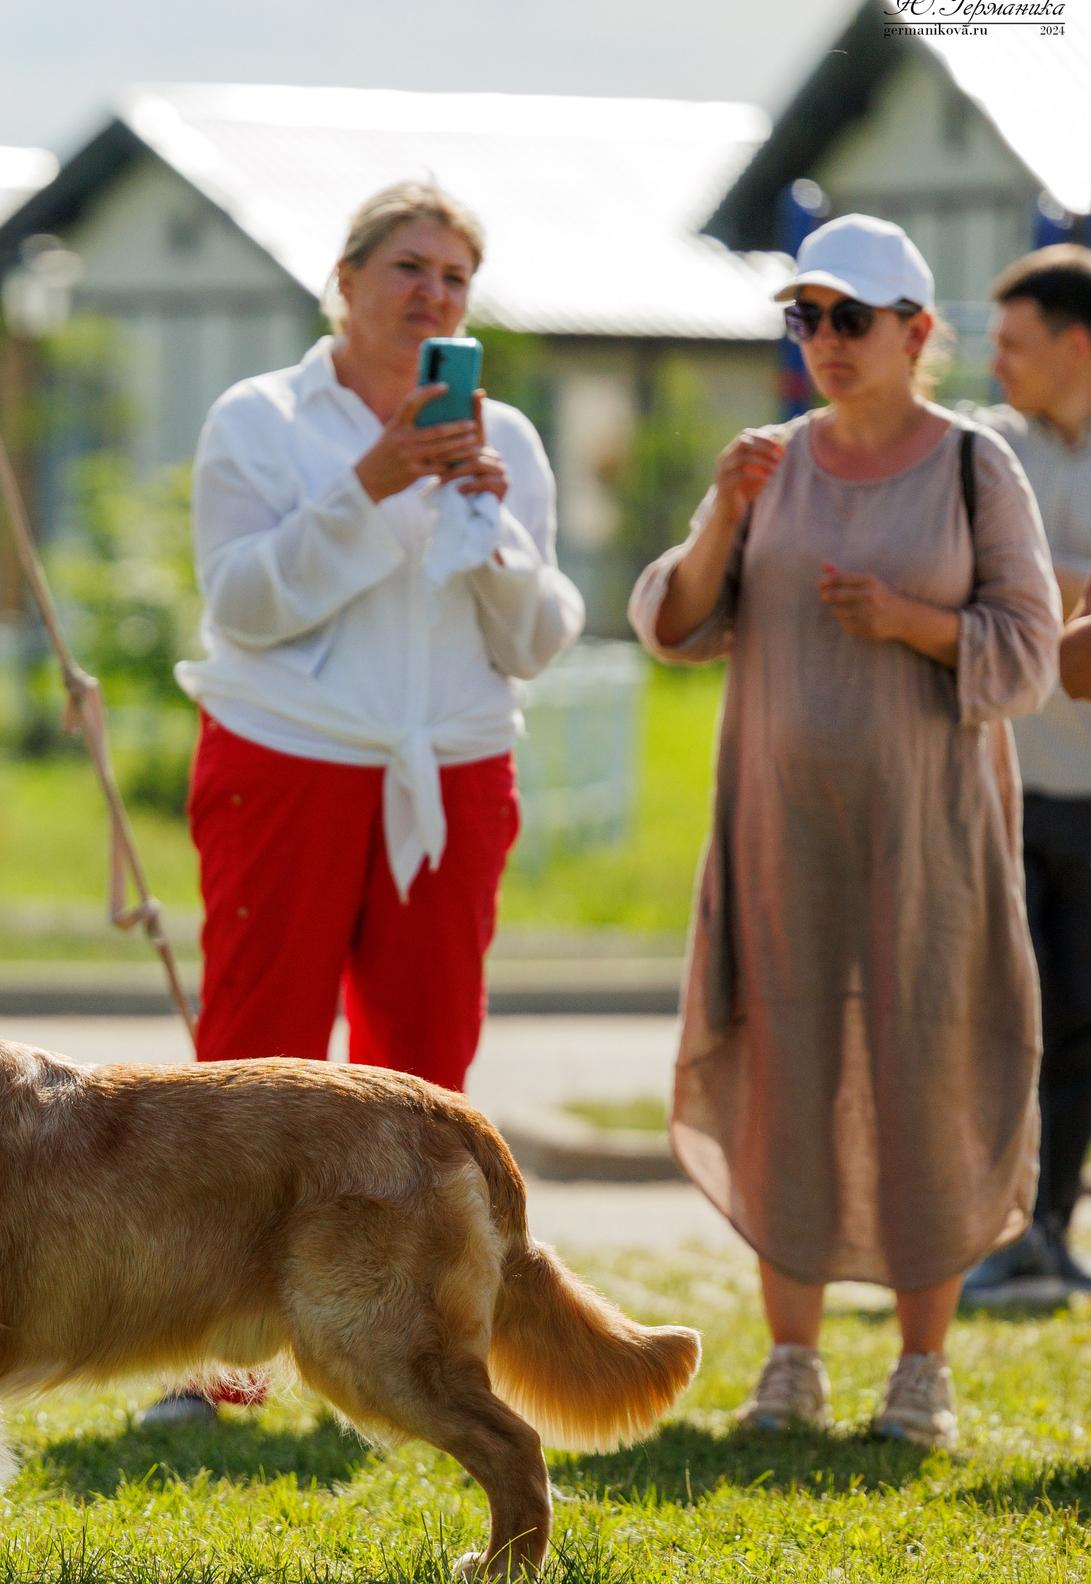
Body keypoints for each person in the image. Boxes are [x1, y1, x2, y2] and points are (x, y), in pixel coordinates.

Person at [137, 181, 583, 1427]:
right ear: (343, 279)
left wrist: (489, 526)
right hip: (289, 755)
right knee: (250, 1061)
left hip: (450, 766)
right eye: (407, 266)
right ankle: (215, 1362)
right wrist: (376, 480)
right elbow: (245, 602)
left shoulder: (512, 439)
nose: (430, 293)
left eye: (453, 277)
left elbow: (539, 637)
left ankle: (407, 1348)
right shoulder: (261, 418)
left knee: (426, 1068)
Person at [631, 215, 1059, 1446]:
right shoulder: (766, 462)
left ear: (918, 333)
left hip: (932, 844)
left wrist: (911, 620)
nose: (823, 339)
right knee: (787, 1078)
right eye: (803, 316)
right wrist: (719, 512)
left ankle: (920, 1370)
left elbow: (1028, 654)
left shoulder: (976, 465)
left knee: (930, 1069)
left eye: (850, 318)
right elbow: (673, 623)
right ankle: (791, 1361)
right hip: (779, 838)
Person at [962, 244, 1091, 1303]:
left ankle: (1047, 1227)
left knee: (1082, 1018)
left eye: (1012, 343)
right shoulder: (983, 451)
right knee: (1003, 1019)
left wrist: (1029, 578)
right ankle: (991, 1228)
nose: (991, 361)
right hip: (997, 787)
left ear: (1075, 345)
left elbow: (1010, 588)